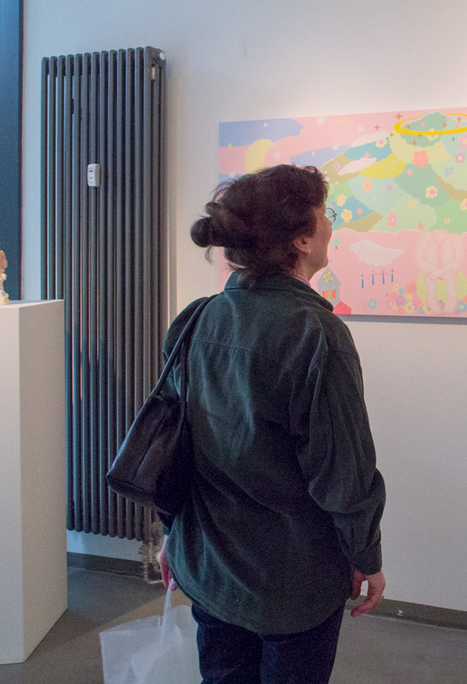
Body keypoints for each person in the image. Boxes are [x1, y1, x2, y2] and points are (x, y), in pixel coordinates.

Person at [156, 164, 386, 684]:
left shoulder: (196, 319)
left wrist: (173, 532)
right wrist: (366, 555)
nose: (330, 224)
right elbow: (343, 476)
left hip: (210, 566)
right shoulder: (317, 336)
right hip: (292, 582)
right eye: (324, 214)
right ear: (301, 239)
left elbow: (171, 449)